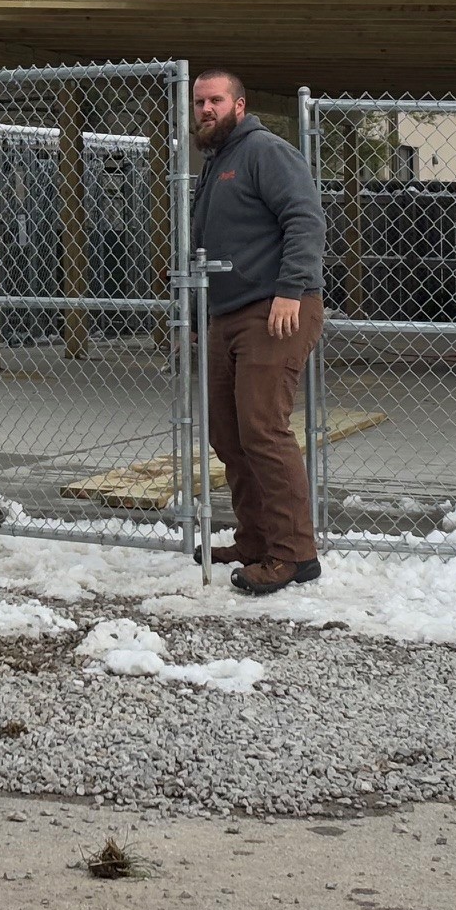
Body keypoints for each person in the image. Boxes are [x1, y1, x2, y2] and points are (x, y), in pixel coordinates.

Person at [188, 67, 326, 594]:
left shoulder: (265, 151)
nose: (206, 110)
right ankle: (255, 539)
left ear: (239, 105)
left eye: (215, 100)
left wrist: (291, 288)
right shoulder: (218, 160)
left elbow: (305, 219)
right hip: (226, 315)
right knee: (229, 434)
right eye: (200, 102)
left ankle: (295, 555)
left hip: (276, 310)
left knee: (263, 430)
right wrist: (204, 322)